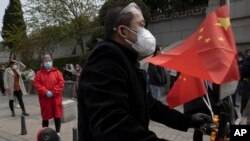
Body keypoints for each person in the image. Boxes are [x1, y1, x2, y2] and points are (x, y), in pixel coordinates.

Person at [77, 2, 212, 141]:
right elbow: (113, 127)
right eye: (141, 26)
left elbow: (149, 104)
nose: (147, 33)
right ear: (123, 32)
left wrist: (187, 121)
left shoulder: (126, 60)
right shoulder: (105, 59)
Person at [33, 54, 64, 137]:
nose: (48, 62)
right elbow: (36, 83)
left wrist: (53, 92)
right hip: (45, 99)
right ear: (43, 62)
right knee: (45, 117)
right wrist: (45, 92)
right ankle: (45, 134)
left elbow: (61, 84)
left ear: (52, 61)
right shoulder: (39, 74)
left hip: (55, 98)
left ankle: (58, 132)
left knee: (57, 116)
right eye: (46, 61)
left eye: (49, 60)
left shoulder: (58, 73)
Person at [239, 49, 250, 115]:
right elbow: (244, 71)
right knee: (246, 99)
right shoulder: (248, 59)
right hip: (248, 82)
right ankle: (243, 114)